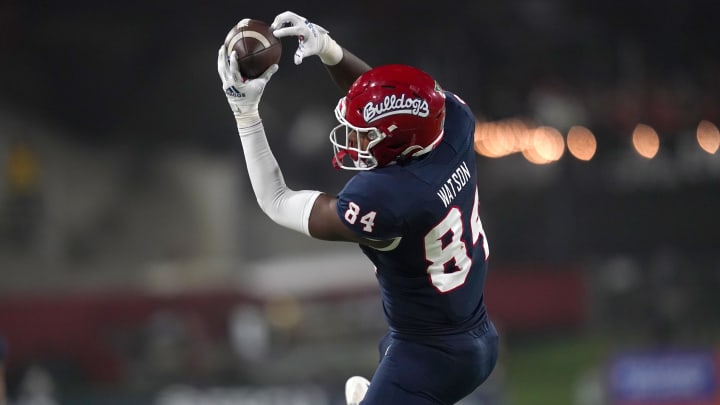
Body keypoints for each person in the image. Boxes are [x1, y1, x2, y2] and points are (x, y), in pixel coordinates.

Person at [217, 10, 499, 404]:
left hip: (427, 356)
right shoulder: (452, 125)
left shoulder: (388, 202)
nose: (354, 138)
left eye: (364, 135)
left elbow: (276, 200)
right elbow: (386, 101)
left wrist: (244, 114)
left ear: (399, 143)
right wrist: (330, 49)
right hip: (474, 333)